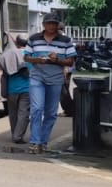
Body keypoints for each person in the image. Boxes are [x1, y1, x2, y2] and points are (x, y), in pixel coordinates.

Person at [23, 16, 76, 154]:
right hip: (37, 77)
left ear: (57, 25)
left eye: (54, 24)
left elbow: (70, 61)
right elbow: (26, 56)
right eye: (48, 23)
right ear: (43, 24)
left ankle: (43, 141)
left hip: (56, 79)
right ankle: (35, 142)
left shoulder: (65, 41)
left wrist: (57, 60)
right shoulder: (34, 38)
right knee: (36, 108)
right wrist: (37, 60)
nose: (51, 26)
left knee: (51, 113)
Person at [0, 35, 31, 146]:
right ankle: (18, 136)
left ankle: (14, 133)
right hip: (26, 89)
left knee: (13, 114)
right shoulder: (30, 55)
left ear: (17, 43)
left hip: (11, 89)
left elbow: (3, 70)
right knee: (24, 113)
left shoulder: (8, 54)